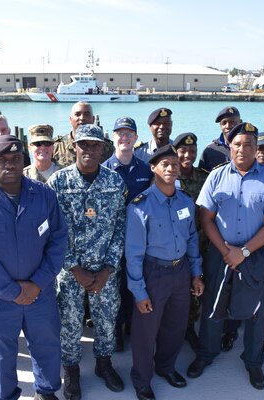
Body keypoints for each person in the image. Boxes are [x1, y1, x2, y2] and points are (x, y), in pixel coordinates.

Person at [0, 136, 68, 400]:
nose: (10, 165)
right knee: (1, 354)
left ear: (24, 161)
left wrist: (37, 283)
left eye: (16, 159)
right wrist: (11, 291)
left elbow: (58, 241)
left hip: (39, 294)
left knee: (47, 347)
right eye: (2, 161)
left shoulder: (44, 196)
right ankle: (5, 396)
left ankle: (46, 391)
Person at [186, 122, 264, 390]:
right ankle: (206, 354)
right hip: (220, 253)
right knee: (213, 306)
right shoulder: (216, 176)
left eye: (249, 145)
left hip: (253, 255)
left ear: (257, 149)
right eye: (238, 144)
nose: (243, 149)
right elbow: (206, 219)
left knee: (256, 309)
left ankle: (254, 361)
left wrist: (243, 252)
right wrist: (226, 251)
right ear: (229, 147)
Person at [48, 124, 127, 400]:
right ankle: (71, 372)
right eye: (85, 145)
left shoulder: (115, 182)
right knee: (70, 323)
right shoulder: (58, 183)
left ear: (103, 148)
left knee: (106, 321)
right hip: (70, 272)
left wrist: (109, 268)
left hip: (105, 270)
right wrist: (73, 267)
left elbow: (120, 227)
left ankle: (103, 364)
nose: (90, 150)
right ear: (74, 146)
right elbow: (51, 231)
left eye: (95, 145)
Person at [125, 145, 204, 400]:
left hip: (180, 271)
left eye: (175, 164)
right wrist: (139, 291)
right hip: (153, 272)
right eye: (165, 164)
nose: (171, 168)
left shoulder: (186, 202)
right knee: (145, 331)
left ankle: (166, 367)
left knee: (175, 326)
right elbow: (134, 253)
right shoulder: (140, 206)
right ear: (153, 168)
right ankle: (142, 379)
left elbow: (192, 238)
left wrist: (196, 273)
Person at [221, 132, 264, 354]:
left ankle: (262, 335)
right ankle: (230, 330)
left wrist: (263, 248)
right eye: (259, 148)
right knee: (234, 289)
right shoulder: (234, 174)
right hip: (240, 247)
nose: (262, 153)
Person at [102, 117, 153, 352]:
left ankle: (133, 325)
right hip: (111, 240)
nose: (124, 138)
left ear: (135, 138)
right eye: (120, 133)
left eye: (129, 134)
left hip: (138, 239)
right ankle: (117, 329)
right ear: (113, 137)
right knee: (114, 287)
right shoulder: (103, 170)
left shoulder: (145, 170)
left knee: (135, 281)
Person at [172, 132, 209, 350]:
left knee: (195, 290)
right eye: (183, 151)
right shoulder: (167, 175)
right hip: (174, 247)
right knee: (174, 291)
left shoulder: (204, 178)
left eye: (192, 151)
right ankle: (172, 330)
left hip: (200, 245)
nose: (188, 155)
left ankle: (189, 328)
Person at [52, 101, 114, 168]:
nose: (82, 118)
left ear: (93, 119)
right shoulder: (56, 146)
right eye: (77, 114)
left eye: (87, 114)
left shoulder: (106, 147)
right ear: (70, 119)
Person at [198, 106, 241, 171]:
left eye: (233, 122)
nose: (228, 126)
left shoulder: (250, 147)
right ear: (220, 125)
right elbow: (201, 176)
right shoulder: (210, 151)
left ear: (240, 122)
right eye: (224, 123)